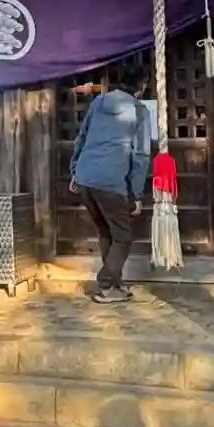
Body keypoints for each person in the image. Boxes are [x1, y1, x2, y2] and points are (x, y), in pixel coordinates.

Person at [69, 63, 152, 303]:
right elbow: (140, 155)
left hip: (86, 177)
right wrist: (136, 194)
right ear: (142, 86)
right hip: (110, 180)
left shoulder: (98, 102)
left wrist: (74, 170)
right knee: (123, 235)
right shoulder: (140, 111)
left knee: (106, 231)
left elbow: (81, 137)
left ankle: (114, 286)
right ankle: (106, 283)